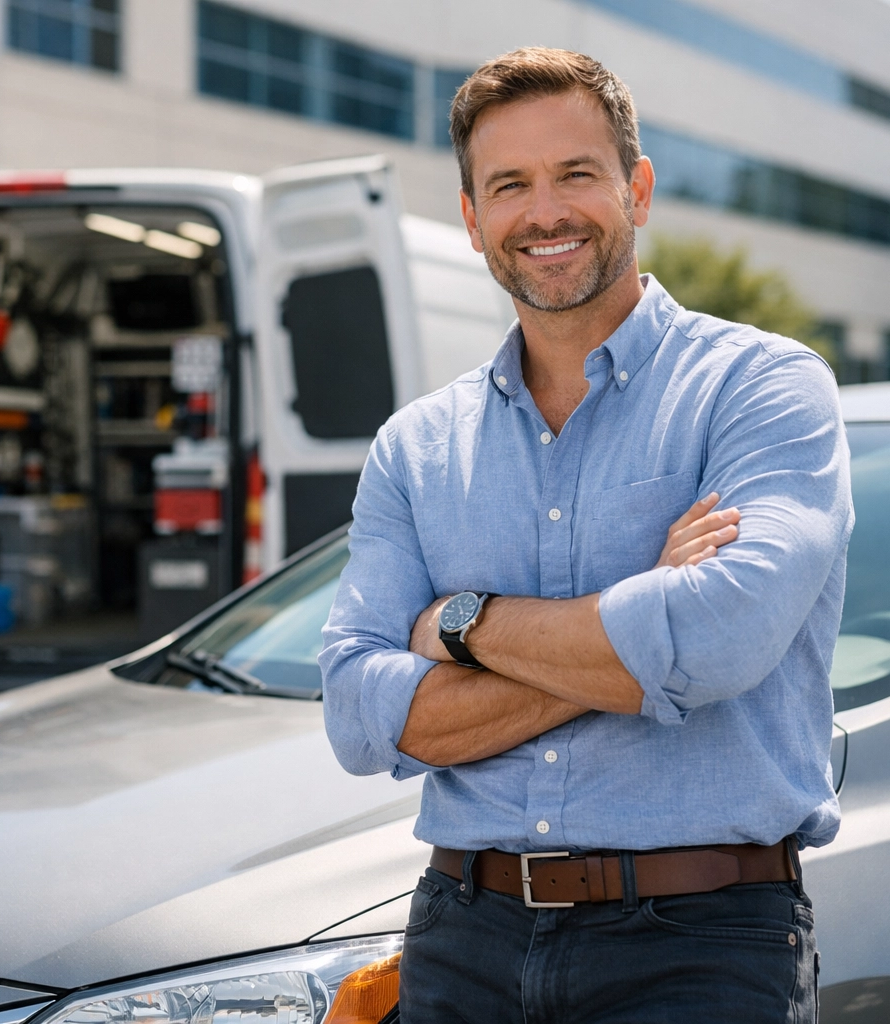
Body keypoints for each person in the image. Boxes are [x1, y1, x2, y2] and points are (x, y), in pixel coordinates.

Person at [319, 47, 851, 1022]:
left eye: (576, 174)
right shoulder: (417, 445)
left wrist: (464, 626)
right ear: (474, 217)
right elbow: (357, 711)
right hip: (460, 935)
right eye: (509, 184)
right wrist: (629, 627)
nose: (545, 211)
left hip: (702, 941)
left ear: (636, 189)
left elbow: (715, 639)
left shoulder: (762, 389)